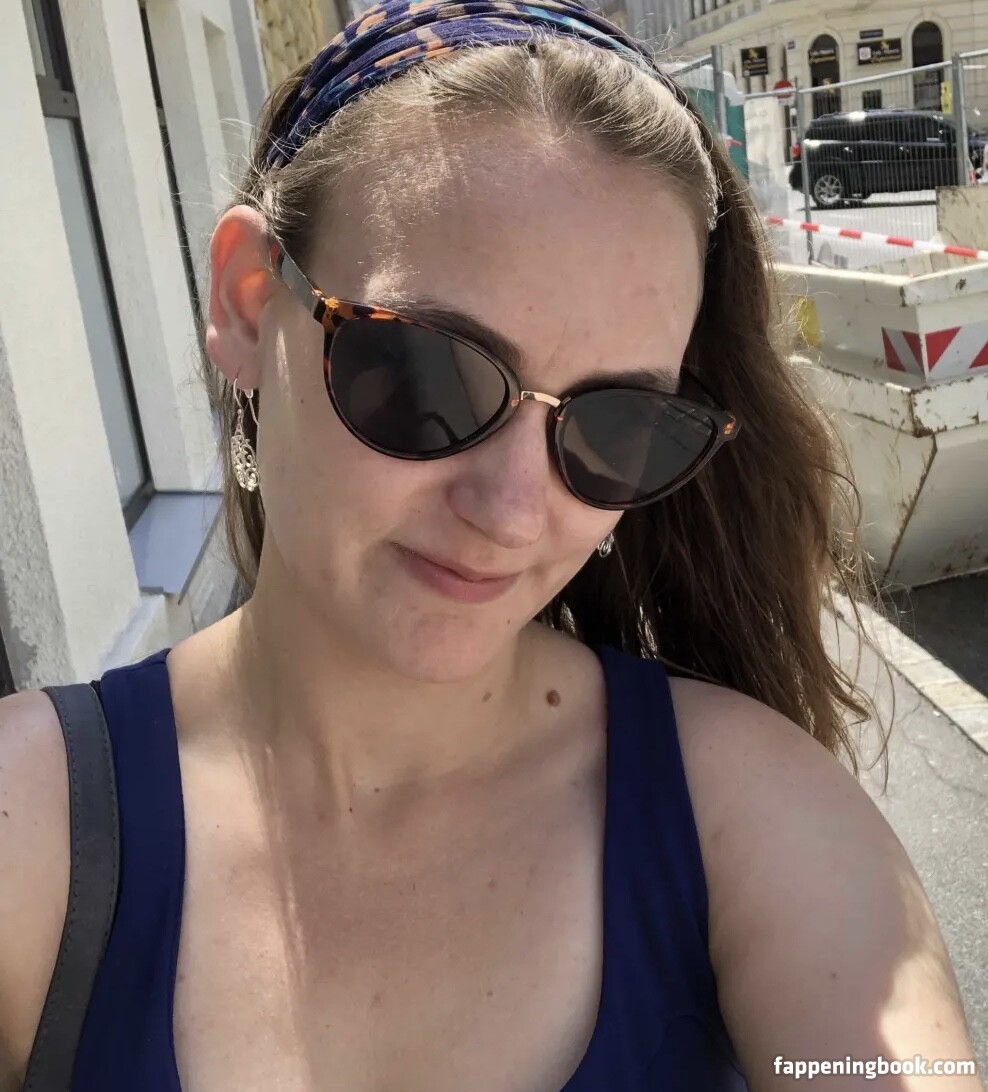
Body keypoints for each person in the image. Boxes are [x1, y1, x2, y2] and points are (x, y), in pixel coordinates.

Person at [0, 1, 982, 1089]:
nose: (513, 510)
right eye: (426, 374)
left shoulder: (760, 821)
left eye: (617, 425)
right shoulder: (28, 830)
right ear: (245, 303)